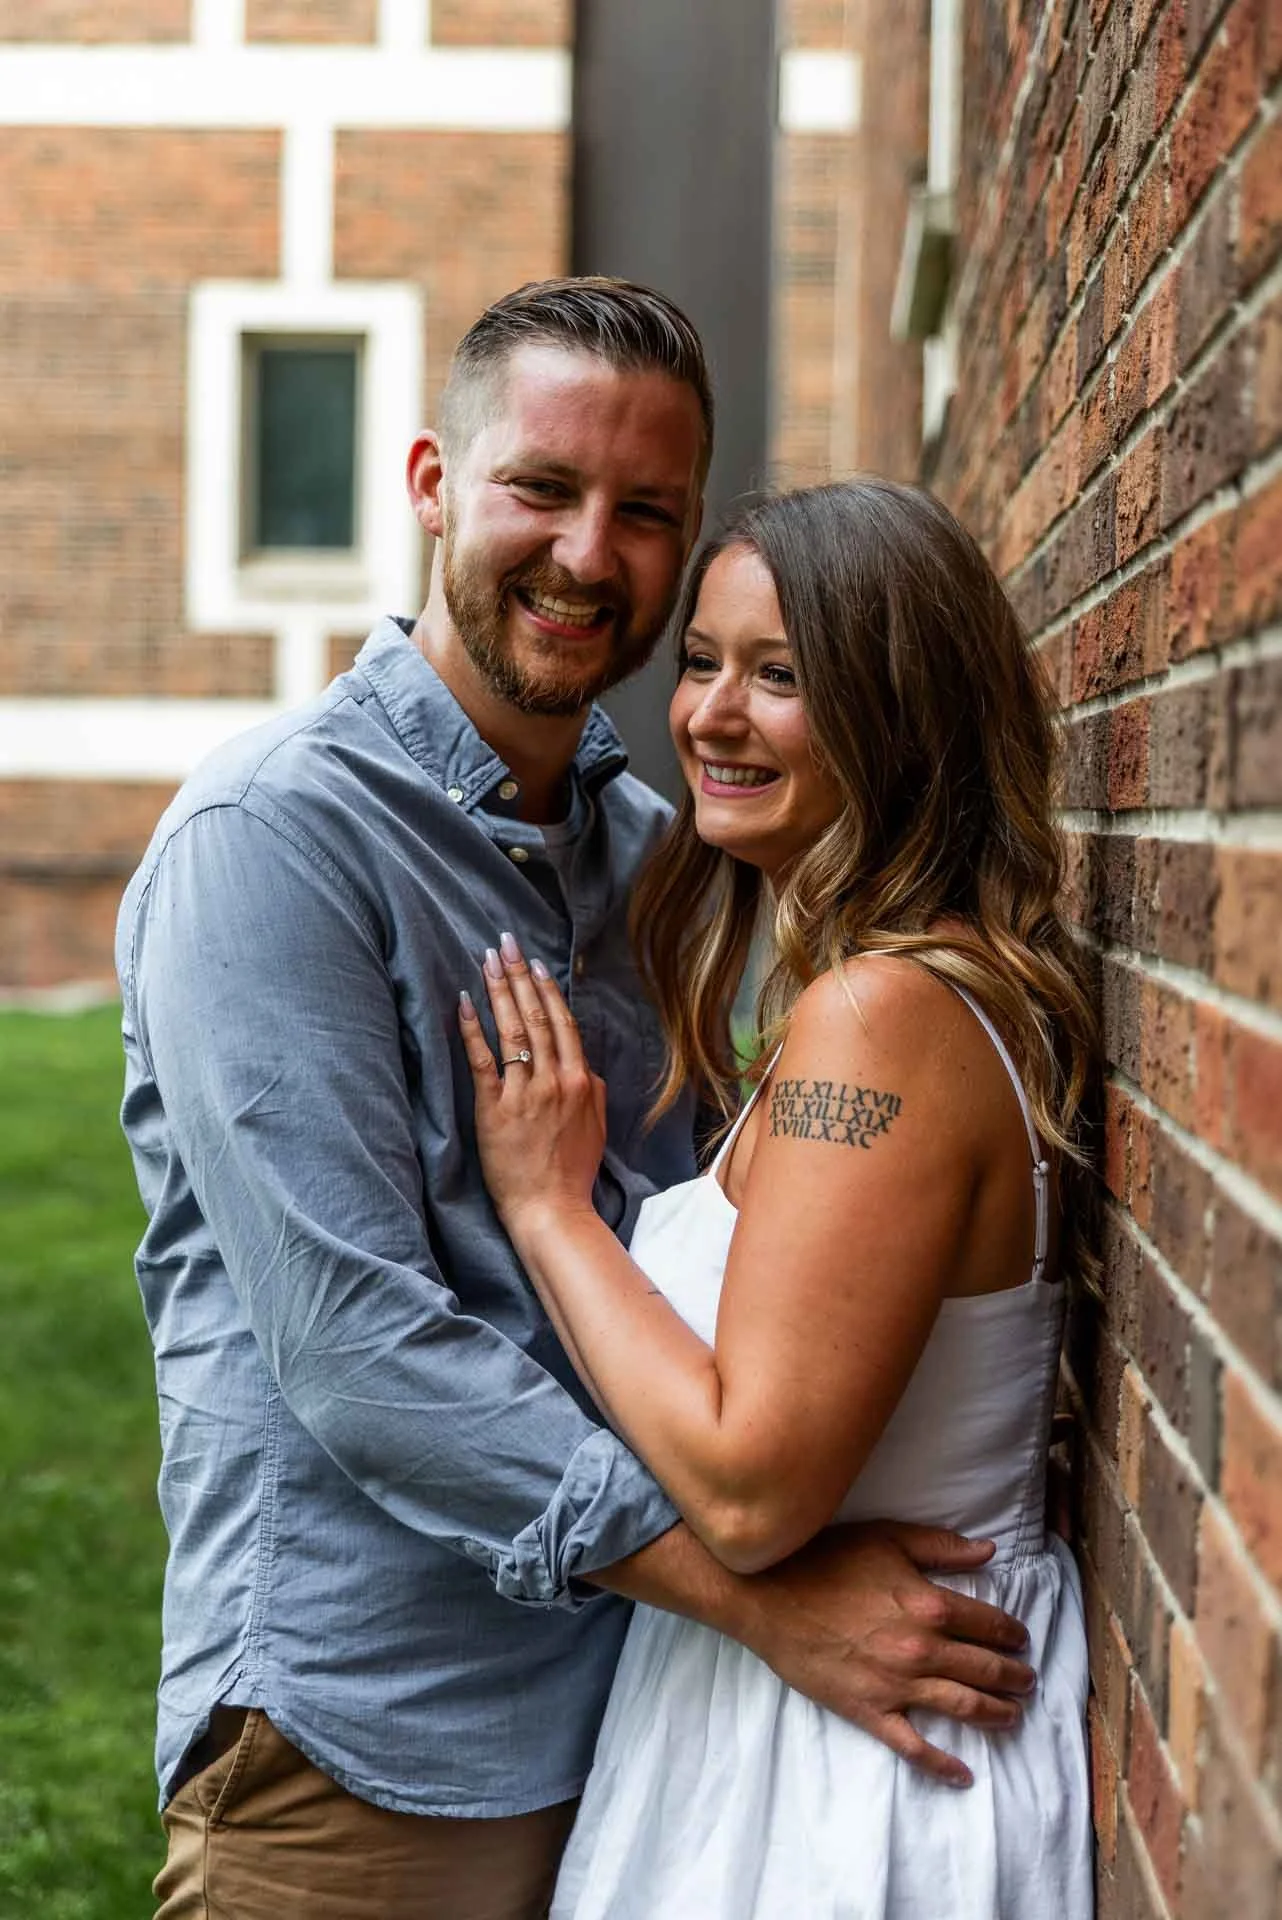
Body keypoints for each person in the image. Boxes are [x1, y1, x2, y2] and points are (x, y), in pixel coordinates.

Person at [117, 281, 1036, 1920]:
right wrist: (757, 1605)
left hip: (648, 1731)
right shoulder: (270, 843)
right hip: (378, 1738)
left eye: (645, 512)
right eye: (540, 488)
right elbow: (354, 1345)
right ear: (429, 486)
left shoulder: (666, 865)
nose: (587, 553)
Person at [460, 478, 1098, 1917]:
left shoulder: (881, 1016)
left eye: (781, 676)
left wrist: (551, 1211)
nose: (708, 716)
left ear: (898, 713)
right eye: (700, 662)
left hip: (854, 1785)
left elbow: (750, 1489)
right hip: (799, 1721)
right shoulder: (888, 992)